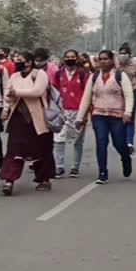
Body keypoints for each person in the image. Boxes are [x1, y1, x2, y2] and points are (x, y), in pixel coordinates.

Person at [75, 50, 134, 185]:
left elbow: (129, 95)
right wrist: (80, 117)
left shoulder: (120, 76)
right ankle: (103, 173)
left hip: (117, 116)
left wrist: (128, 112)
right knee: (101, 143)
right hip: (99, 115)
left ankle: (126, 158)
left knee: (119, 143)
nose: (103, 61)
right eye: (100, 59)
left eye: (106, 59)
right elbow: (86, 97)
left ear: (112, 60)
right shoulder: (94, 77)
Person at [1, 51, 55, 195]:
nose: (17, 62)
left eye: (20, 60)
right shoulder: (14, 76)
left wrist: (16, 92)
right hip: (17, 119)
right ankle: (9, 180)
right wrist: (7, 105)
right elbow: (8, 96)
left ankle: (44, 178)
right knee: (14, 150)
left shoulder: (39, 74)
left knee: (41, 149)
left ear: (29, 62)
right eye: (16, 60)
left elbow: (36, 91)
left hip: (37, 119)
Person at [53, 50, 89, 178]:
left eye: (72, 57)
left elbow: (88, 94)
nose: (70, 59)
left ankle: (75, 167)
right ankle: (59, 166)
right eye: (67, 57)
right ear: (63, 58)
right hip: (62, 112)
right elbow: (54, 92)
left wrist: (85, 114)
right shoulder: (58, 74)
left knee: (78, 141)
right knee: (58, 139)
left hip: (78, 111)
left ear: (77, 58)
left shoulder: (83, 75)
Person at [118, 43, 136, 154]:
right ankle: (121, 141)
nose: (122, 55)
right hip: (119, 93)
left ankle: (129, 143)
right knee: (120, 118)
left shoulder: (135, 64)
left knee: (130, 117)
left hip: (133, 92)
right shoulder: (115, 64)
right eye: (121, 53)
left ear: (129, 54)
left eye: (125, 53)